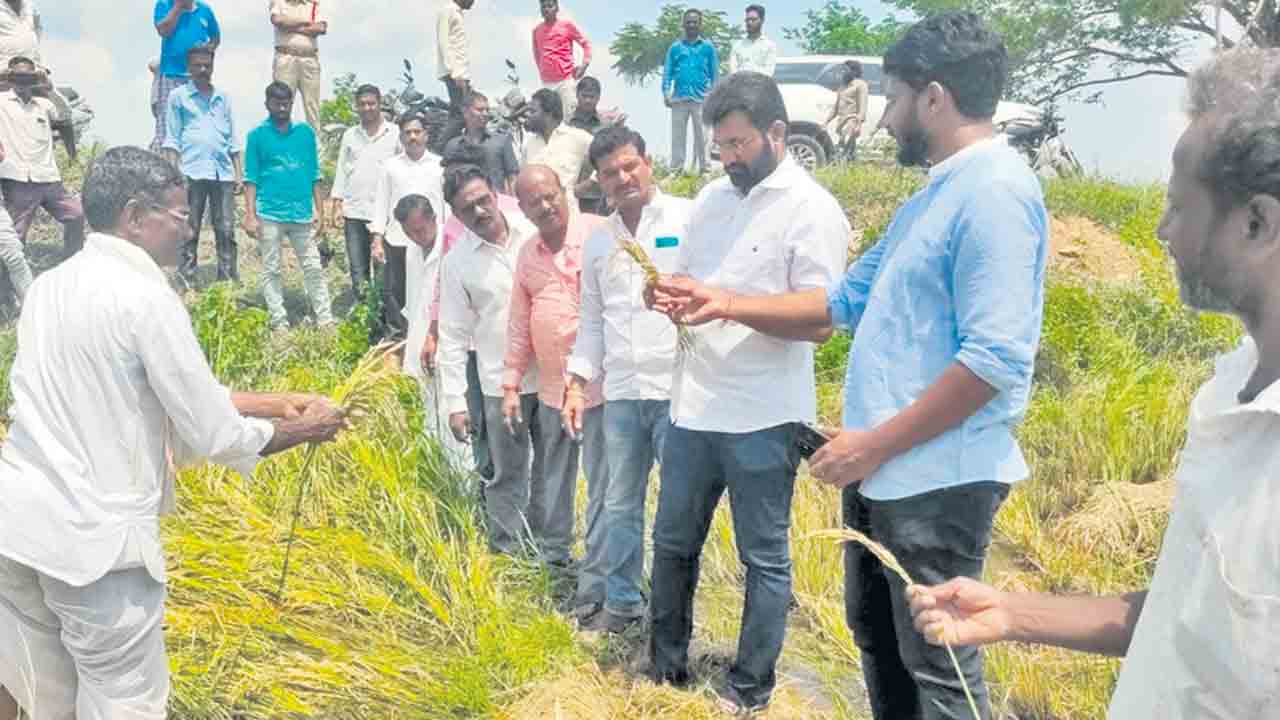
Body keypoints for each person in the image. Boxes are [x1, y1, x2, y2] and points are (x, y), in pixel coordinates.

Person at [654, 16, 1049, 718]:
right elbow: (840, 303)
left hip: (937, 478)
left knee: (939, 664)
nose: (883, 118)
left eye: (892, 99)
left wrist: (875, 441)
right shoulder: (931, 197)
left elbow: (994, 361)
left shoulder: (995, 192)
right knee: (879, 639)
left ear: (933, 98)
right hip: (886, 470)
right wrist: (723, 299)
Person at [908, 45, 1280, 719]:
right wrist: (1011, 612)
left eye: (1180, 206)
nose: (1163, 230)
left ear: (1257, 222)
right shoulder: (1230, 389)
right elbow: (1186, 612)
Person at [0, 145, 346, 720]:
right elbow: (210, 431)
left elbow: (134, 395)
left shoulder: (48, 289)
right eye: (181, 216)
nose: (189, 230)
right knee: (124, 702)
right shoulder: (145, 296)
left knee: (43, 699)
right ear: (137, 218)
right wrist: (306, 428)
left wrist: (274, 402)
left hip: (18, 533)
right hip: (96, 550)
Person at [642, 72, 849, 713]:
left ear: (777, 133)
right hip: (694, 407)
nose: (728, 157)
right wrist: (667, 294)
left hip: (764, 415)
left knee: (765, 560)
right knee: (673, 543)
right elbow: (689, 279)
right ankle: (665, 670)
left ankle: (749, 687)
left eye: (738, 144)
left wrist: (728, 304)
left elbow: (819, 319)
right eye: (720, 146)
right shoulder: (710, 200)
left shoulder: (813, 210)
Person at [564, 126, 691, 634]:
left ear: (647, 162)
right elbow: (591, 323)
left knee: (678, 511)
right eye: (610, 173)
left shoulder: (687, 218)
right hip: (621, 394)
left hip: (678, 389)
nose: (622, 178)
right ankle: (622, 604)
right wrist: (577, 383)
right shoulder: (599, 242)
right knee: (620, 504)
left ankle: (672, 611)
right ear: (599, 181)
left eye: (628, 166)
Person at [506, 164, 607, 617]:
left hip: (601, 391)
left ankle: (603, 569)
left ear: (565, 192)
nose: (545, 206)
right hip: (550, 391)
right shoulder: (527, 255)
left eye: (550, 195)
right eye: (533, 202)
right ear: (523, 209)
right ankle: (555, 557)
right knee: (554, 478)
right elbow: (517, 326)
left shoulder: (599, 233)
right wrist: (511, 382)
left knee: (606, 482)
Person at [437, 163, 545, 556]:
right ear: (456, 214)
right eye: (469, 208)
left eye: (485, 200)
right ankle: (509, 554)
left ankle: (552, 551)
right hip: (499, 384)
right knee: (506, 474)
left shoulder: (534, 233)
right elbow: (451, 335)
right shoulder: (457, 262)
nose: (481, 211)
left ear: (497, 194)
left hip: (550, 377)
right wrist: (454, 403)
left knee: (553, 472)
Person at [242, 81, 334, 330]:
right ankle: (279, 321)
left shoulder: (305, 134)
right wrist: (250, 215)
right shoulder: (257, 136)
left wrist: (321, 213)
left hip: (302, 213)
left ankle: (325, 320)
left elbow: (315, 174)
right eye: (277, 103)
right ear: (267, 104)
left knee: (313, 267)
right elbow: (250, 177)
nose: (282, 107)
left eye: (287, 103)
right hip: (269, 212)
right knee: (271, 269)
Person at [396, 193, 469, 467]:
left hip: (447, 340)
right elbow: (413, 303)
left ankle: (463, 478)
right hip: (419, 339)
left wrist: (435, 336)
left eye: (420, 230)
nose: (416, 237)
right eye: (409, 233)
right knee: (429, 411)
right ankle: (439, 471)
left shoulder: (453, 247)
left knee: (454, 408)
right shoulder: (412, 252)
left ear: (434, 219)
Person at [162, 44, 241, 286]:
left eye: (207, 65)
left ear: (213, 66)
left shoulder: (223, 98)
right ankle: (187, 279)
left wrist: (239, 174)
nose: (203, 69)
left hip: (222, 172)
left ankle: (227, 279)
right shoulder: (179, 97)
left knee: (226, 228)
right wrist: (174, 175)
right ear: (189, 67)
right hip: (191, 172)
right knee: (190, 227)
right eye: (198, 65)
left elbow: (232, 138)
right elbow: (172, 138)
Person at [371, 112, 445, 340]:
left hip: (432, 242)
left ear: (426, 135)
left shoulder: (439, 165)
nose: (412, 137)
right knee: (395, 292)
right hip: (398, 239)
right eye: (407, 133)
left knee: (431, 290)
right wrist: (377, 239)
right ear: (401, 137)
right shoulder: (390, 166)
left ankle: (430, 336)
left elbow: (445, 204)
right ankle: (398, 340)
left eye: (417, 132)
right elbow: (381, 202)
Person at [0, 56, 84, 259]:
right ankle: (7, 285)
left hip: (48, 178)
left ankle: (70, 261)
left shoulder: (44, 105)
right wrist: (6, 73)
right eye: (18, 78)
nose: (23, 83)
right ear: (10, 79)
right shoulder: (2, 102)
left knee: (76, 215)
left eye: (27, 78)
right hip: (18, 179)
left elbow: (65, 115)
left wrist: (49, 86)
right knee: (15, 237)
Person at [330, 83, 398, 298]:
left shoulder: (395, 133)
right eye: (362, 104)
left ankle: (382, 315)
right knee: (358, 269)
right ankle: (364, 315)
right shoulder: (350, 135)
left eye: (371, 103)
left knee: (383, 267)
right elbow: (342, 168)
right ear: (356, 107)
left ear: (379, 104)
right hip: (354, 212)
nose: (367, 108)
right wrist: (337, 203)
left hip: (385, 213)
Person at [151, 0, 220, 152]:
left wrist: (206, 55)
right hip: (170, 75)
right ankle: (164, 163)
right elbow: (164, 31)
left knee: (197, 124)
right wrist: (178, 7)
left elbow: (215, 37)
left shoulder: (205, 10)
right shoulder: (164, 4)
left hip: (197, 79)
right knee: (166, 126)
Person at [662, 9, 718, 175]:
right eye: (688, 22)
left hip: (702, 99)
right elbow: (667, 72)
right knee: (677, 137)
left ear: (700, 25)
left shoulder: (708, 47)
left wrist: (714, 96)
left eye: (695, 22)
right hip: (679, 99)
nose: (691, 25)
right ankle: (675, 171)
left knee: (703, 137)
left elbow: (715, 74)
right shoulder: (675, 48)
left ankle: (705, 171)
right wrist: (666, 93)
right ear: (683, 24)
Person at [523, 88, 593, 208]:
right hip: (538, 220)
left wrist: (586, 186)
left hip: (570, 218)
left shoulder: (577, 137)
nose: (527, 115)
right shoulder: (528, 145)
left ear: (549, 114)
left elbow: (608, 154)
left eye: (533, 111)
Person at [443, 91, 519, 195]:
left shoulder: (501, 141)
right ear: (465, 112)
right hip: (467, 205)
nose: (485, 114)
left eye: (487, 110)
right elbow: (448, 181)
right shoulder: (453, 146)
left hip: (498, 204)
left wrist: (513, 205)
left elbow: (513, 178)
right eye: (480, 110)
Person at [269, 0, 328, 130]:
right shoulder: (280, 2)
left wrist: (290, 25)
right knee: (281, 101)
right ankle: (280, 140)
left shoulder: (312, 3)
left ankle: (315, 142)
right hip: (286, 56)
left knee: (312, 104)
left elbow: (321, 28)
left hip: (309, 58)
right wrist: (306, 22)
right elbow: (278, 21)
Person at [567, 76, 620, 215]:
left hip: (598, 193)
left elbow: (612, 158)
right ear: (577, 95)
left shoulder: (606, 126)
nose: (588, 100)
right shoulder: (565, 124)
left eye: (592, 97)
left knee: (597, 233)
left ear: (598, 97)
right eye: (584, 96)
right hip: (569, 192)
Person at [532, 0, 591, 119]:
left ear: (557, 8)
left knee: (570, 118)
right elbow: (537, 55)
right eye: (543, 7)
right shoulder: (536, 31)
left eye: (550, 6)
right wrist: (543, 72)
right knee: (548, 120)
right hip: (546, 83)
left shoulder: (566, 26)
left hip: (565, 82)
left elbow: (586, 44)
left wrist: (584, 65)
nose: (547, 9)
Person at [436, 0, 473, 114]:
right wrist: (456, 73)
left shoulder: (458, 13)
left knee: (463, 114)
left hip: (461, 73)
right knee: (460, 115)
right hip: (456, 74)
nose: (473, 2)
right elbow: (443, 42)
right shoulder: (448, 10)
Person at [827, 60, 869, 161]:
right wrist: (826, 121)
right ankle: (852, 169)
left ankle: (845, 169)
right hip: (841, 122)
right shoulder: (843, 85)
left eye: (845, 70)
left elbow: (862, 106)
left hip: (852, 121)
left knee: (845, 149)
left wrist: (858, 125)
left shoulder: (860, 85)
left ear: (853, 71)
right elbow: (836, 107)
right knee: (850, 150)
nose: (842, 72)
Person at [729, 4, 777, 76]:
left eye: (753, 19)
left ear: (762, 20)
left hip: (761, 86)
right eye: (747, 20)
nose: (749, 22)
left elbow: (768, 73)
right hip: (740, 86)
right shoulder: (737, 46)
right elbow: (733, 73)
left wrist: (746, 70)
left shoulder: (770, 46)